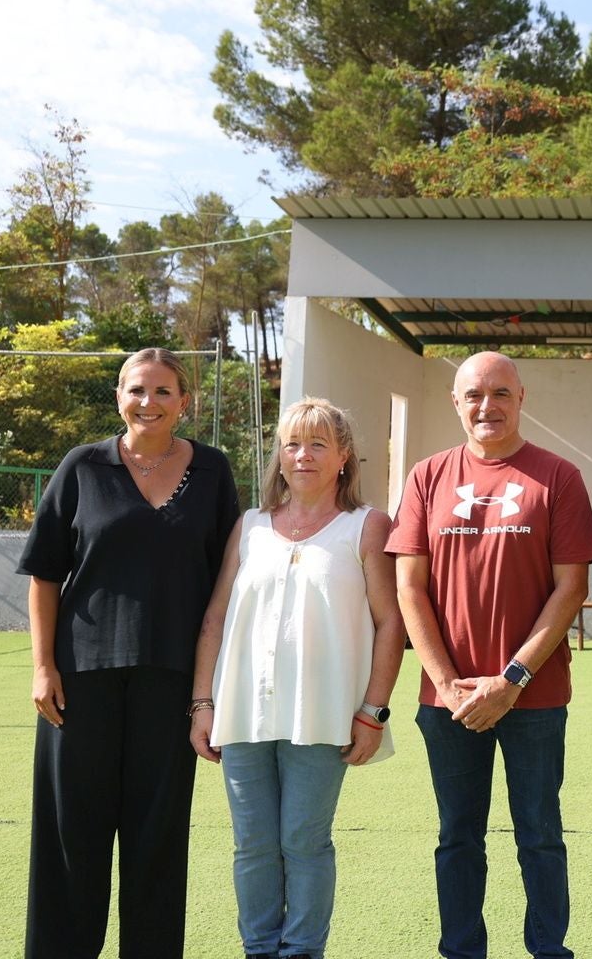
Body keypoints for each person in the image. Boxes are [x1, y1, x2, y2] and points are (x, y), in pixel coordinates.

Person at [19, 347, 240, 958]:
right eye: (136, 390)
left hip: (171, 683)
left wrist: (211, 689)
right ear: (119, 396)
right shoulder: (82, 467)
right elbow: (43, 574)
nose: (149, 402)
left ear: (184, 401)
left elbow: (231, 576)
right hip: (79, 681)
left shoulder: (215, 472)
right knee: (72, 835)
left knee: (158, 838)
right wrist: (42, 667)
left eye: (163, 391)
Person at [388, 351, 592, 959]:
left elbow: (572, 587)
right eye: (474, 395)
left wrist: (511, 679)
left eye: (501, 393)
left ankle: (548, 949)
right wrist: (448, 684)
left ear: (521, 397)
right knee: (458, 836)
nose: (488, 406)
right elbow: (409, 588)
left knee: (539, 835)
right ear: (457, 403)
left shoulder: (557, 477)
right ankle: (461, 950)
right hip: (447, 702)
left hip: (533, 698)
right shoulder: (428, 477)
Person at [189, 397, 404, 959]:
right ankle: (259, 950)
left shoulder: (368, 525)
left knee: (303, 842)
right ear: (278, 457)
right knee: (253, 845)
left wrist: (372, 711)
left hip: (323, 714)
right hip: (241, 714)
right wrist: (202, 704)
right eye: (291, 444)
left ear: (344, 456)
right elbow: (215, 617)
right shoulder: (250, 525)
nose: (302, 455)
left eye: (317, 444)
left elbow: (390, 623)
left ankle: (302, 951)